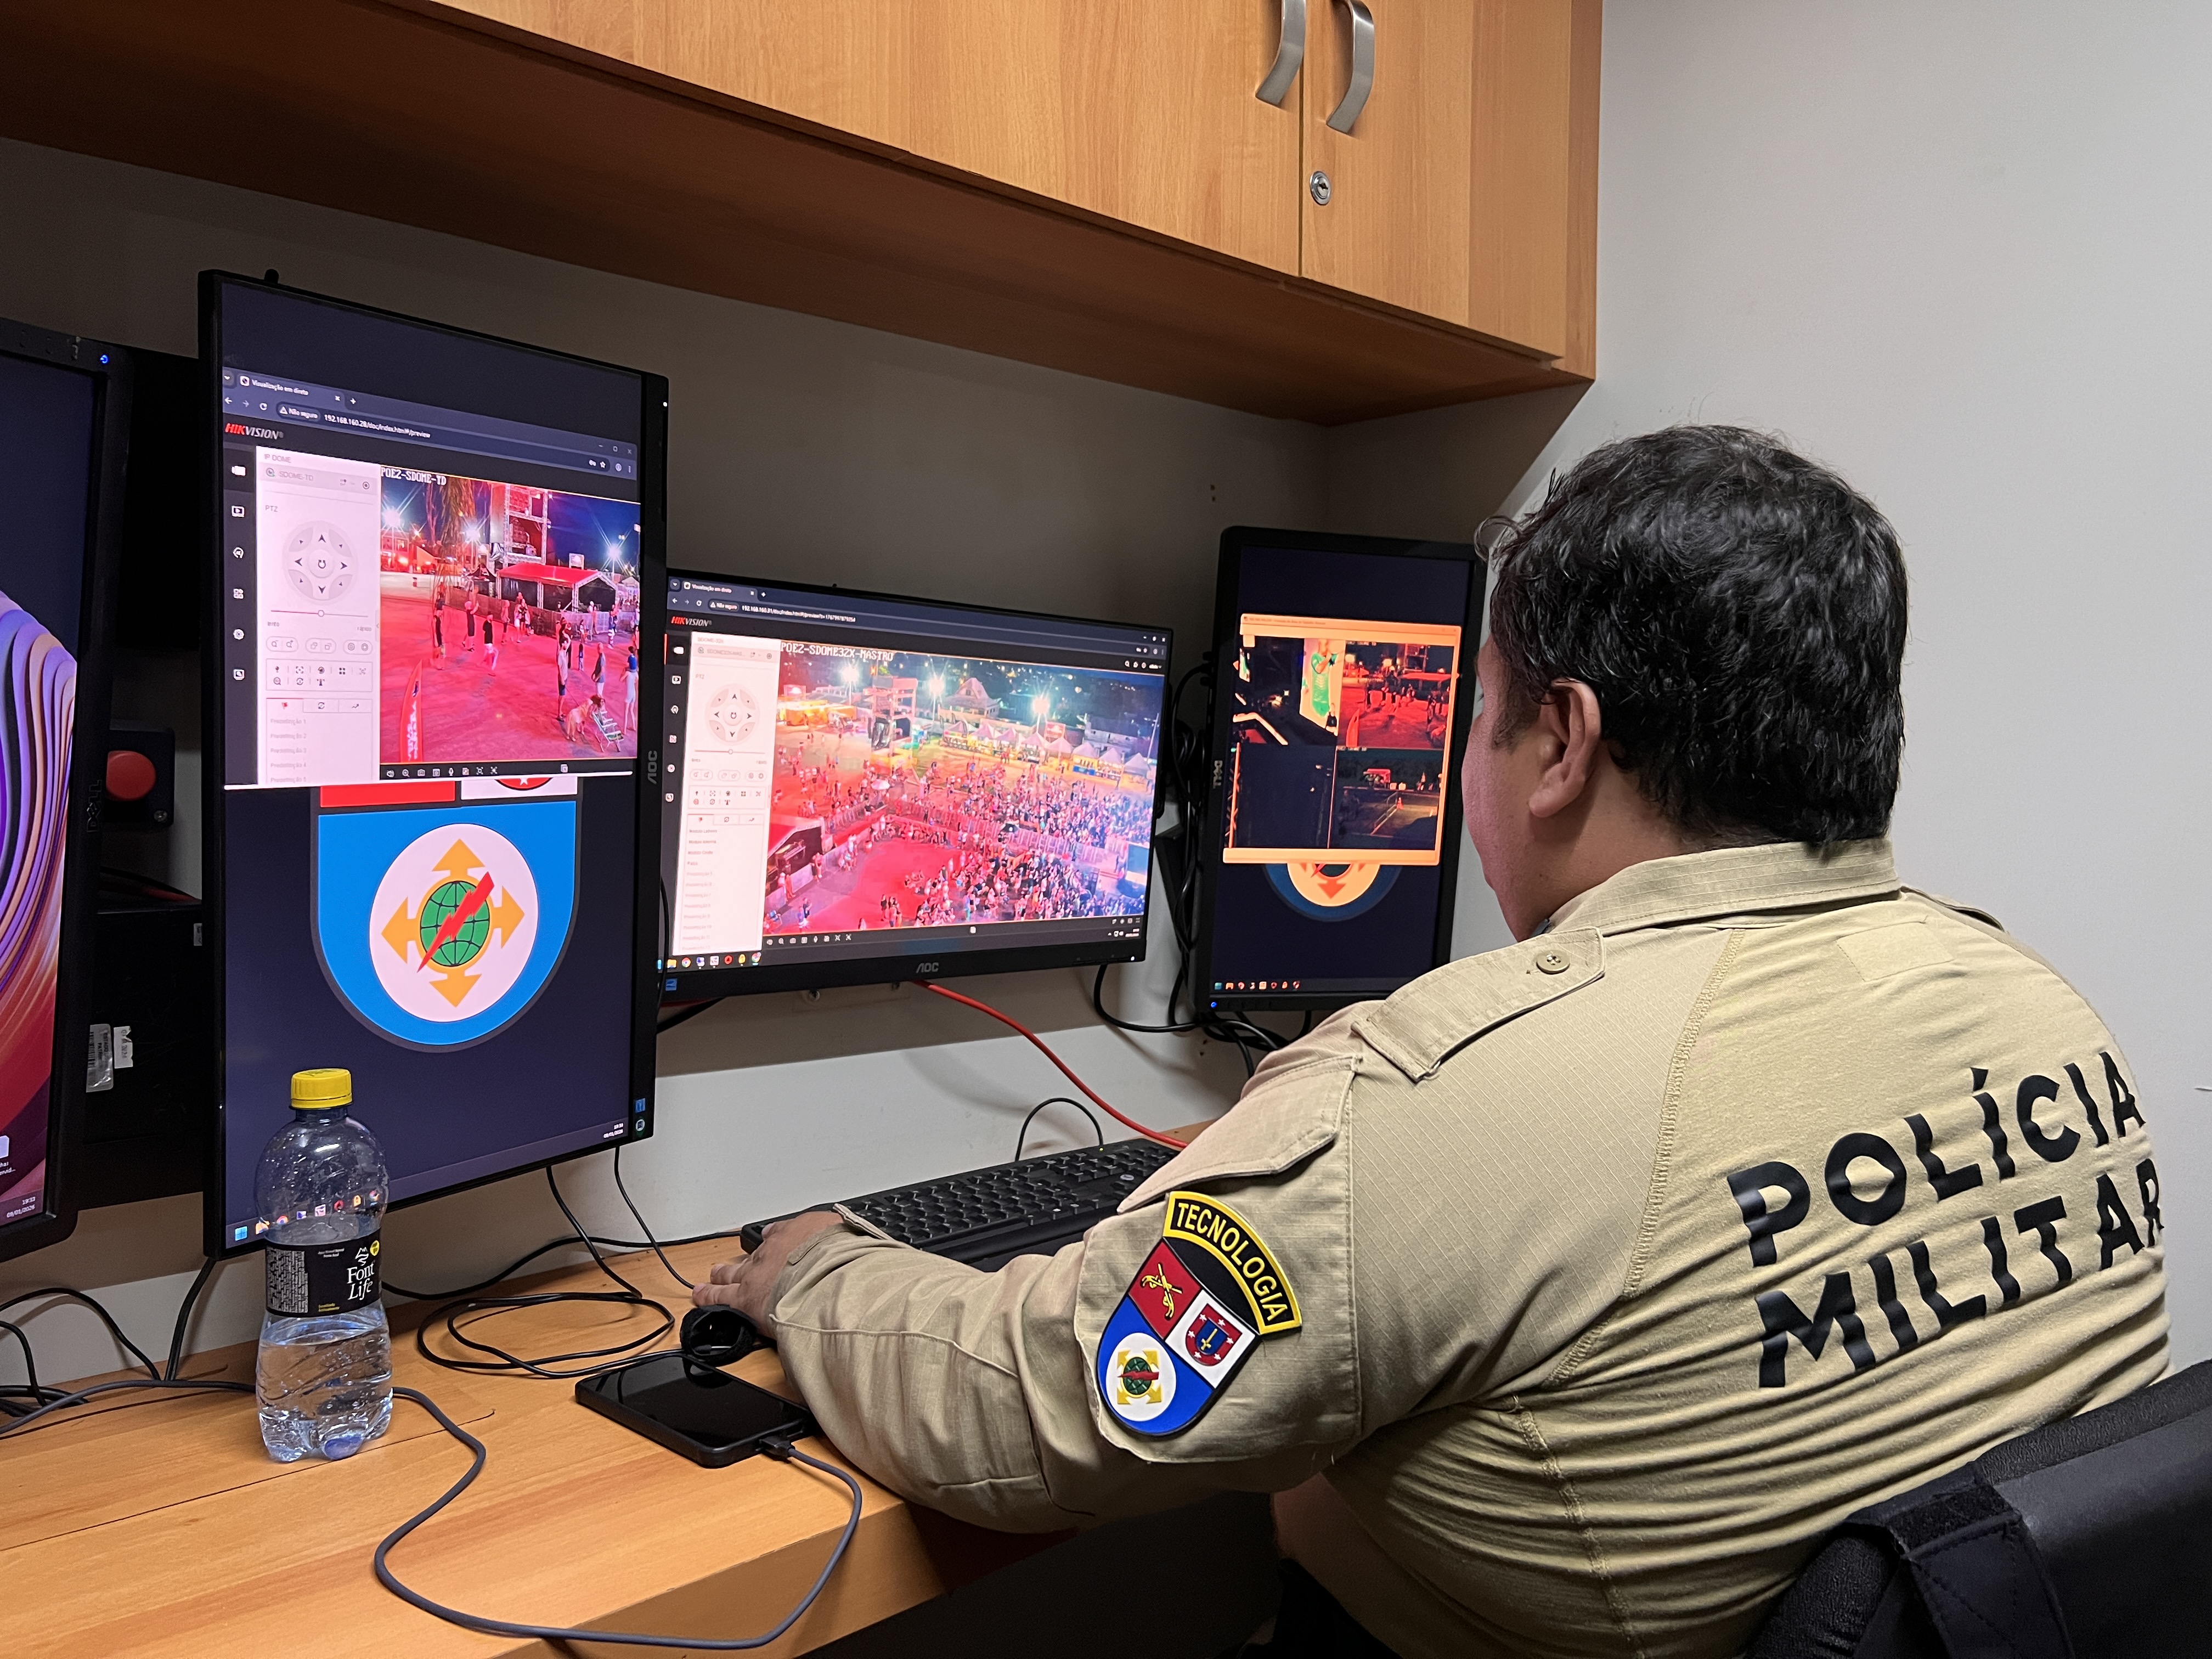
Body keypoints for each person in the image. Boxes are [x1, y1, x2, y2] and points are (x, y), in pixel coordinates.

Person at [695, 428, 2168, 1658]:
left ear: (1563, 745)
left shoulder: (1436, 1095)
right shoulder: (2034, 1000)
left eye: (1478, 723)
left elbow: (1031, 1411)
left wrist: (812, 1269)